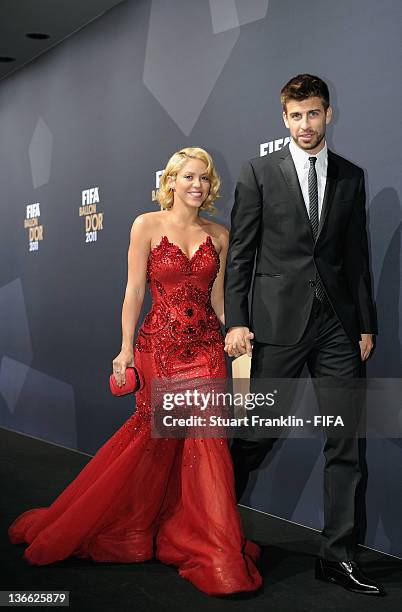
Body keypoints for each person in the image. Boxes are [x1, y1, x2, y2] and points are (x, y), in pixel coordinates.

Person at [8, 147, 262, 596]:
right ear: (170, 182)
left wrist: (236, 331)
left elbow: (220, 299)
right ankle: (130, 524)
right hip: (157, 349)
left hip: (204, 350)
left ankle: (212, 543)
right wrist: (124, 350)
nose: (197, 185)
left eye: (203, 178)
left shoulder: (220, 236)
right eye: (188, 177)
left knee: (208, 445)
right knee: (152, 440)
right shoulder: (146, 225)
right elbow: (135, 290)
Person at [224, 75, 385, 596]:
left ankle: (338, 557)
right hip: (278, 325)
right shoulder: (257, 173)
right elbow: (242, 253)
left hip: (338, 326)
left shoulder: (350, 176)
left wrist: (365, 323)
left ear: (328, 114)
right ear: (284, 119)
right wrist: (238, 320)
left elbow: (356, 257)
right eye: (295, 116)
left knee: (346, 441)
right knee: (255, 436)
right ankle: (212, 529)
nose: (305, 125)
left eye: (312, 114)